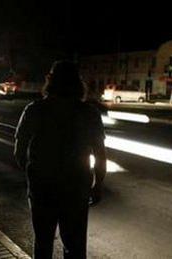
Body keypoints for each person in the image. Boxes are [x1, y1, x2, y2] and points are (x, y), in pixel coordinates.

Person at [14, 60, 106, 259]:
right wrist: (97, 184)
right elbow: (99, 153)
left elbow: (19, 150)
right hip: (76, 185)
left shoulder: (34, 109)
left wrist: (32, 173)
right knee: (75, 246)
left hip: (43, 186)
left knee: (43, 243)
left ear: (50, 82)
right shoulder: (89, 113)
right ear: (78, 83)